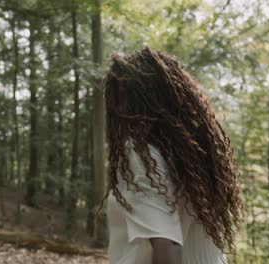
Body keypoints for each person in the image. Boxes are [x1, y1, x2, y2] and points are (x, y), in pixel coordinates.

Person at [99, 46, 243, 264]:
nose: (118, 109)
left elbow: (166, 243)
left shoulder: (141, 153)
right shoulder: (199, 155)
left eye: (122, 98)